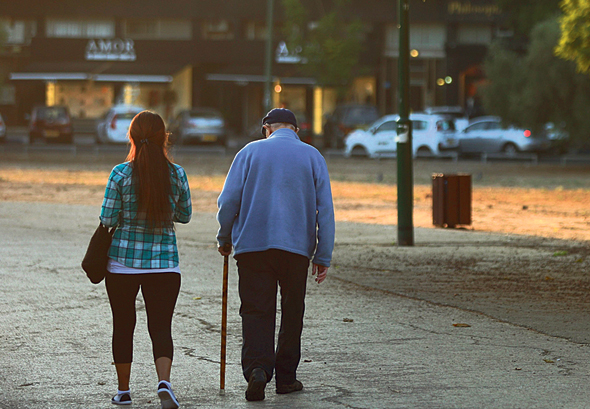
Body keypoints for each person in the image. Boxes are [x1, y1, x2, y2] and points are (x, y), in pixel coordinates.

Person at [216, 108, 335, 401]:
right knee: (292, 311)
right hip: (296, 249)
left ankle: (258, 369)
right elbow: (326, 210)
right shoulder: (312, 156)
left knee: (256, 309)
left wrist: (224, 236)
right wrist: (323, 254)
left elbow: (228, 200)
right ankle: (286, 378)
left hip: (253, 248)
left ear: (266, 128)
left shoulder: (249, 153)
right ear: (295, 129)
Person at [100, 111, 192, 408]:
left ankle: (124, 391)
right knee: (161, 326)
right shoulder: (176, 174)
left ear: (131, 137)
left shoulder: (120, 173)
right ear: (164, 138)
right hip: (165, 263)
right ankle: (164, 383)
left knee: (123, 325)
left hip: (122, 263)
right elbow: (185, 215)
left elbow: (107, 217)